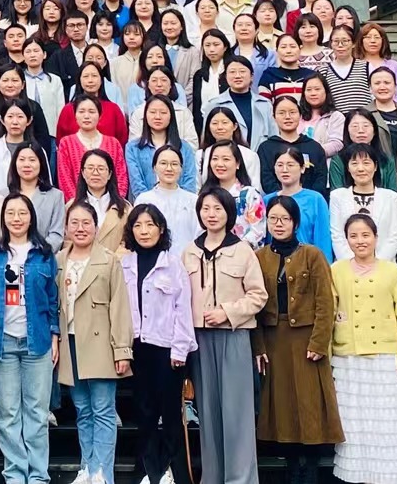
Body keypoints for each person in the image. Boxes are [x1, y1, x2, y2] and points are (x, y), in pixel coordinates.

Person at [254, 197, 344, 484]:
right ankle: (292, 467)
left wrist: (319, 342)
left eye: (285, 219)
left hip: (306, 338)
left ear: (295, 222)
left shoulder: (312, 255)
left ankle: (311, 468)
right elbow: (254, 307)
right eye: (273, 219)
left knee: (309, 403)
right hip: (274, 339)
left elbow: (325, 302)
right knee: (282, 406)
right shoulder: (259, 257)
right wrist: (258, 346)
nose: (278, 224)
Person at [182, 189, 265, 484]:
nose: (211, 214)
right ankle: (213, 477)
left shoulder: (242, 250)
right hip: (199, 341)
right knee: (207, 412)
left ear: (229, 213)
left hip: (233, 336)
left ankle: (240, 479)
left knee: (236, 413)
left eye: (218, 208)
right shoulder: (189, 252)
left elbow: (258, 295)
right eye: (206, 208)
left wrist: (228, 312)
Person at [329, 214, 397, 484]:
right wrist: (327, 354)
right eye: (353, 236)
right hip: (348, 358)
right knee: (353, 424)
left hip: (383, 357)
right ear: (346, 240)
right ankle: (357, 477)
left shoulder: (391, 270)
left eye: (365, 235)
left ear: (376, 238)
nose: (360, 241)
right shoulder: (337, 270)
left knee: (384, 424)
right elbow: (329, 313)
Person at [0, 194, 60, 484]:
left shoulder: (44, 254)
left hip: (37, 341)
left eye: (22, 213)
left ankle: (38, 475)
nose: (16, 218)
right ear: (3, 217)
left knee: (37, 413)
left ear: (31, 218)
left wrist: (54, 334)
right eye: (11, 213)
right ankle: (15, 475)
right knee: (7, 413)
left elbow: (53, 299)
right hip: (2, 341)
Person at [119, 203, 196, 484]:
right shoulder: (124, 265)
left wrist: (180, 350)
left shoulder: (173, 264)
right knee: (144, 413)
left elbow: (183, 309)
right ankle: (149, 471)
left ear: (161, 229)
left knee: (170, 414)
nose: (144, 231)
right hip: (137, 348)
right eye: (138, 225)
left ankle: (174, 472)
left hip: (167, 350)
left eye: (150, 224)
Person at [53, 202, 130, 484]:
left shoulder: (108, 260)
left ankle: (103, 474)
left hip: (100, 346)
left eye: (86, 223)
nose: (81, 228)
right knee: (83, 411)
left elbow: (120, 307)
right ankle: (87, 468)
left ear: (96, 227)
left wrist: (122, 350)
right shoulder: (59, 260)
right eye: (74, 223)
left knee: (103, 410)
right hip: (70, 343)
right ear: (66, 228)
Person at [328, 145, 397, 263]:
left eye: (366, 163)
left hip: (384, 265)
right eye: (354, 163)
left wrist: (377, 264)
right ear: (348, 168)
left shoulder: (390, 197)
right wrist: (352, 264)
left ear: (375, 166)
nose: (360, 169)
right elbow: (337, 235)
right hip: (347, 266)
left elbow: (394, 236)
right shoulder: (337, 196)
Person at [266, 147, 335, 260]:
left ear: (302, 168)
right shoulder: (267, 200)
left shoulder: (315, 199)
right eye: (280, 165)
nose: (284, 170)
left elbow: (323, 239)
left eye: (290, 165)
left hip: (307, 263)